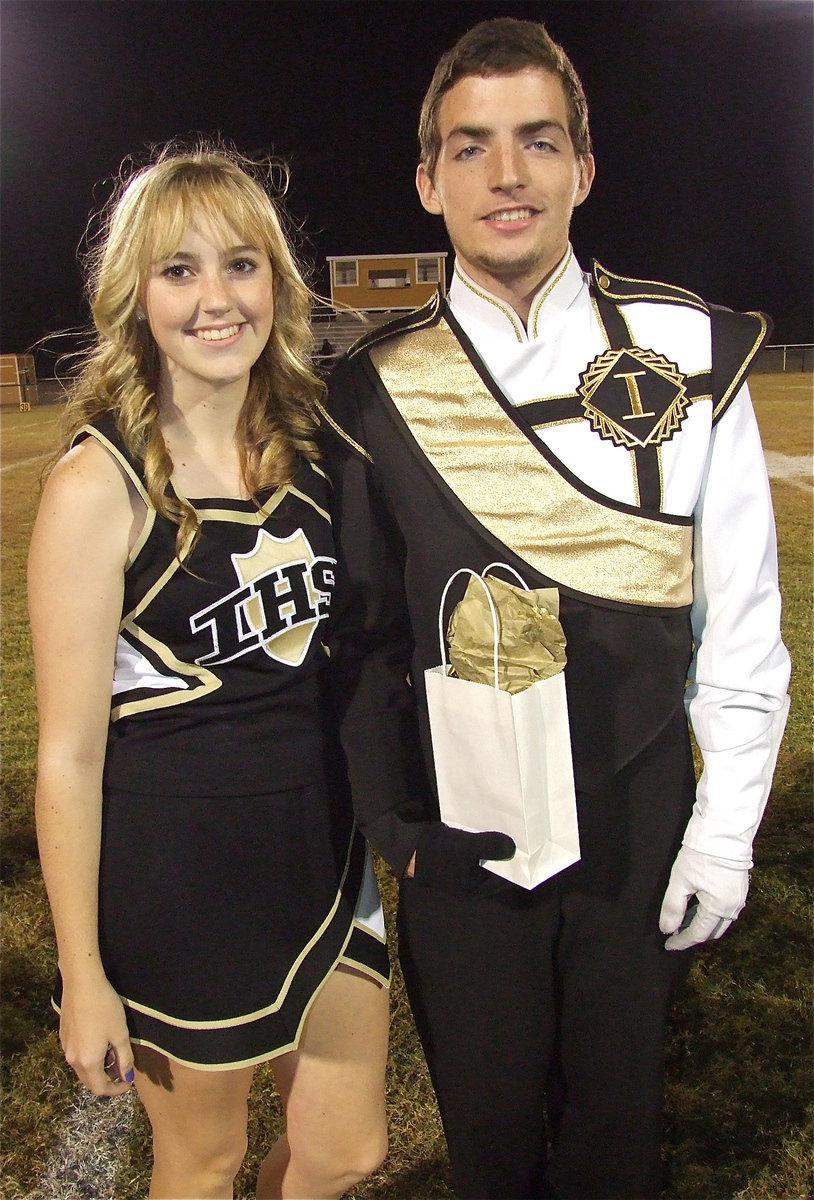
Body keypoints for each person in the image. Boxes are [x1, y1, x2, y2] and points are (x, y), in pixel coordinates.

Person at [321, 18, 790, 1200]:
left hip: (641, 833)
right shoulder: (368, 393)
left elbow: (740, 620)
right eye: (469, 147)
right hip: (459, 851)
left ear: (584, 166)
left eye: (536, 141)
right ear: (427, 182)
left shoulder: (689, 349)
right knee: (487, 1142)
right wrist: (394, 832)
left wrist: (724, 830)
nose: (506, 175)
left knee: (615, 1140)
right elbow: (363, 644)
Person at [28, 145, 390, 1200]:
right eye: (178, 270)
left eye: (240, 264)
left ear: (275, 280)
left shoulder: (317, 451)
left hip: (325, 848)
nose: (216, 299)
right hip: (181, 875)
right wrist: (83, 974)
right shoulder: (101, 487)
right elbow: (66, 752)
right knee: (205, 1161)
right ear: (134, 297)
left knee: (347, 1148)